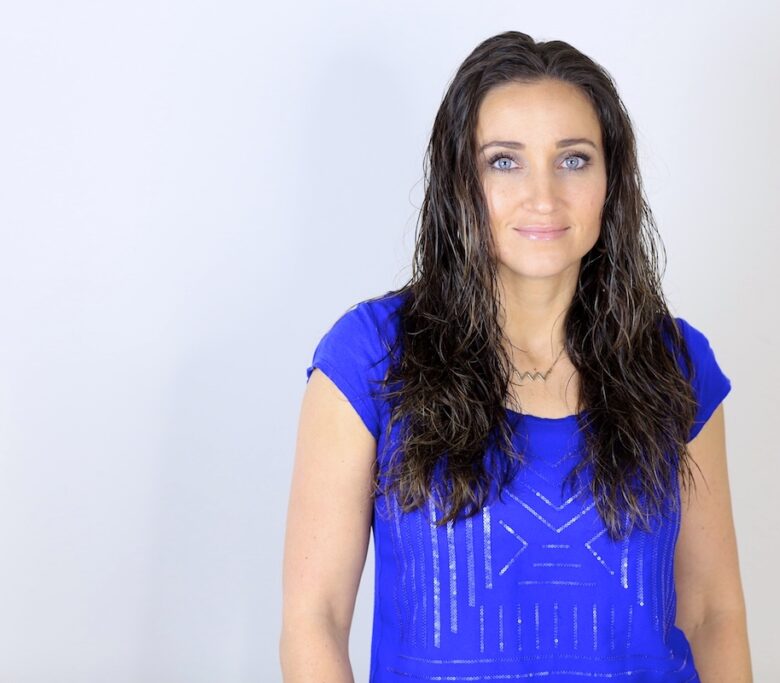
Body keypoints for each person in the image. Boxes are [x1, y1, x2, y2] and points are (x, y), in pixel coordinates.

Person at [280, 31, 752, 683]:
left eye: (574, 159)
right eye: (505, 161)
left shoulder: (676, 363)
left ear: (612, 180)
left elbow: (711, 613)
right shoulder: (369, 357)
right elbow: (316, 617)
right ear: (460, 180)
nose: (543, 195)